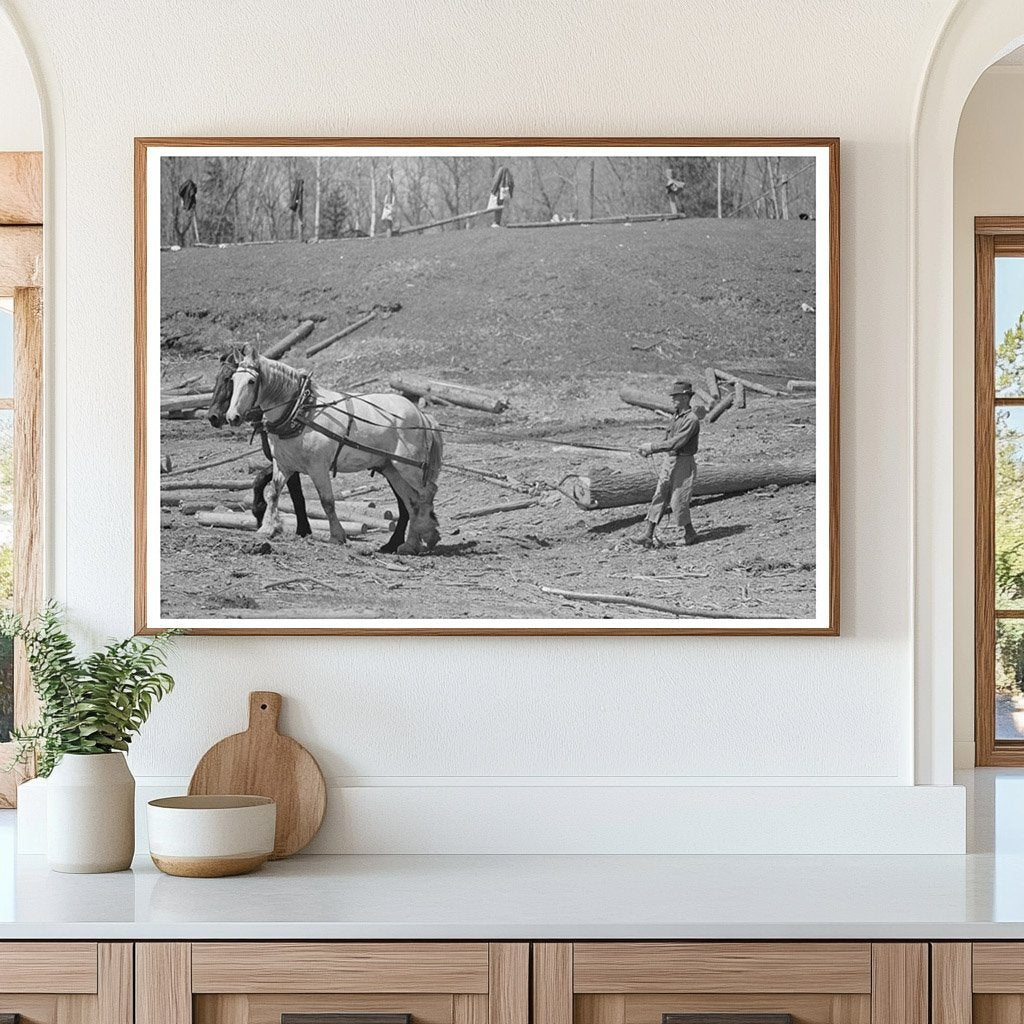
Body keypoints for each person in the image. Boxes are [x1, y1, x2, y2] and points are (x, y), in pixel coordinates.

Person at [637, 379, 701, 548]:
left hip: (683, 462)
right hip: (670, 460)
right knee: (659, 494)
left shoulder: (692, 420)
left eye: (676, 396)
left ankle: (690, 534)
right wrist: (649, 449)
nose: (672, 399)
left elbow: (677, 442)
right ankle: (648, 535)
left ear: (686, 398)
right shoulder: (675, 416)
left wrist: (652, 447)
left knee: (678, 499)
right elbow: (668, 439)